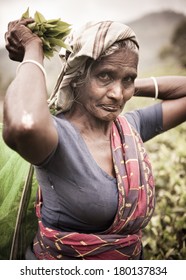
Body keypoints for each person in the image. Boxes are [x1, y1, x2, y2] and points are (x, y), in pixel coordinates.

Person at [3, 18, 186, 260]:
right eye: (104, 76)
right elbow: (23, 125)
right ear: (78, 75)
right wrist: (32, 48)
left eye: (127, 80)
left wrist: (122, 81)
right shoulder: (56, 136)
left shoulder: (128, 127)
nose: (118, 95)